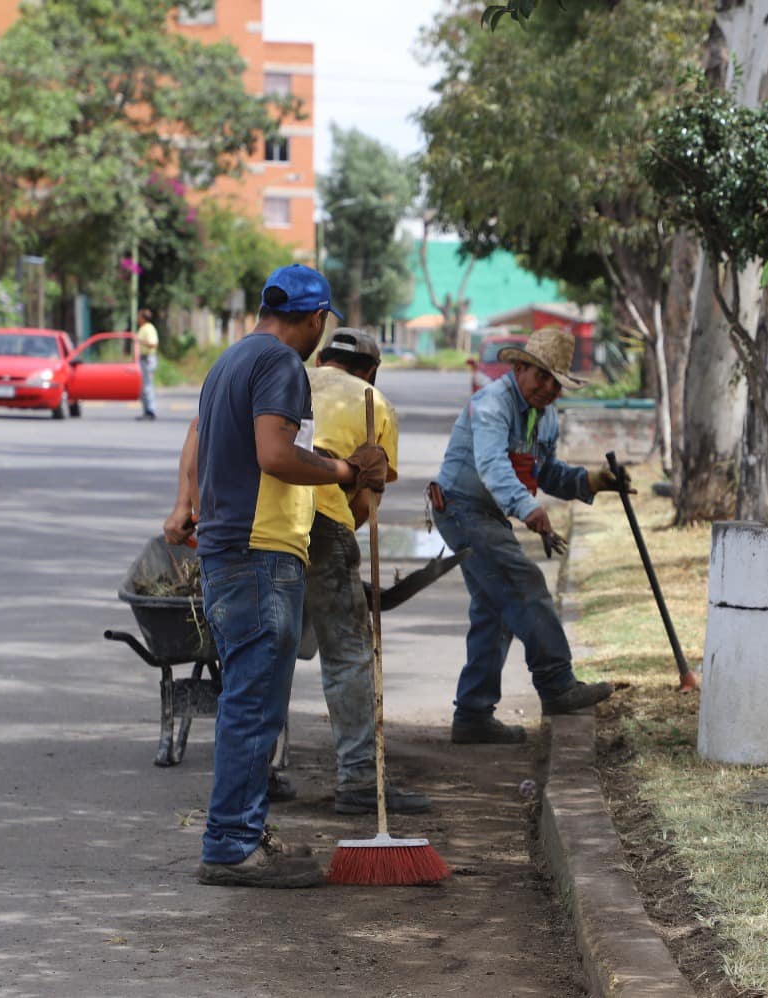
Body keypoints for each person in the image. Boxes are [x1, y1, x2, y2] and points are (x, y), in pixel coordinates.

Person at [162, 264, 388, 889]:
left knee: (250, 701)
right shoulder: (284, 366)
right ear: (317, 320)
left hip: (231, 550)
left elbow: (203, 439)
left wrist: (185, 506)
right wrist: (346, 471)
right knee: (254, 706)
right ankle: (232, 845)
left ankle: (243, 832)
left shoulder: (229, 361)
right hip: (260, 553)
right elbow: (275, 454)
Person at [431, 327, 627, 744]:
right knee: (524, 584)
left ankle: (472, 716)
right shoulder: (491, 404)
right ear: (520, 368)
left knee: (496, 609)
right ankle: (557, 684)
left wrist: (594, 480)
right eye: (542, 377)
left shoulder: (547, 416)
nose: (549, 389)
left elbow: (547, 473)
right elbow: (492, 466)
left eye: (557, 383)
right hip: (461, 509)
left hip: (487, 514)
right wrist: (529, 510)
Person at [306, 328, 431, 815]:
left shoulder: (287, 379)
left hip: (264, 525)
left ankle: (261, 772)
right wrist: (344, 532)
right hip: (323, 523)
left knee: (268, 652)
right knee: (348, 653)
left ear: (321, 359)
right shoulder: (373, 402)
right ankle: (358, 777)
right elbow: (365, 500)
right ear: (371, 371)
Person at [135, 308, 159, 421]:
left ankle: (150, 410)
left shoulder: (148, 329)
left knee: (147, 385)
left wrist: (140, 341)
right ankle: (146, 410)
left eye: (139, 316)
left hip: (147, 359)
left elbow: (153, 343)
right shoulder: (144, 328)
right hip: (144, 358)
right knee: (144, 385)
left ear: (143, 318)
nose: (137, 318)